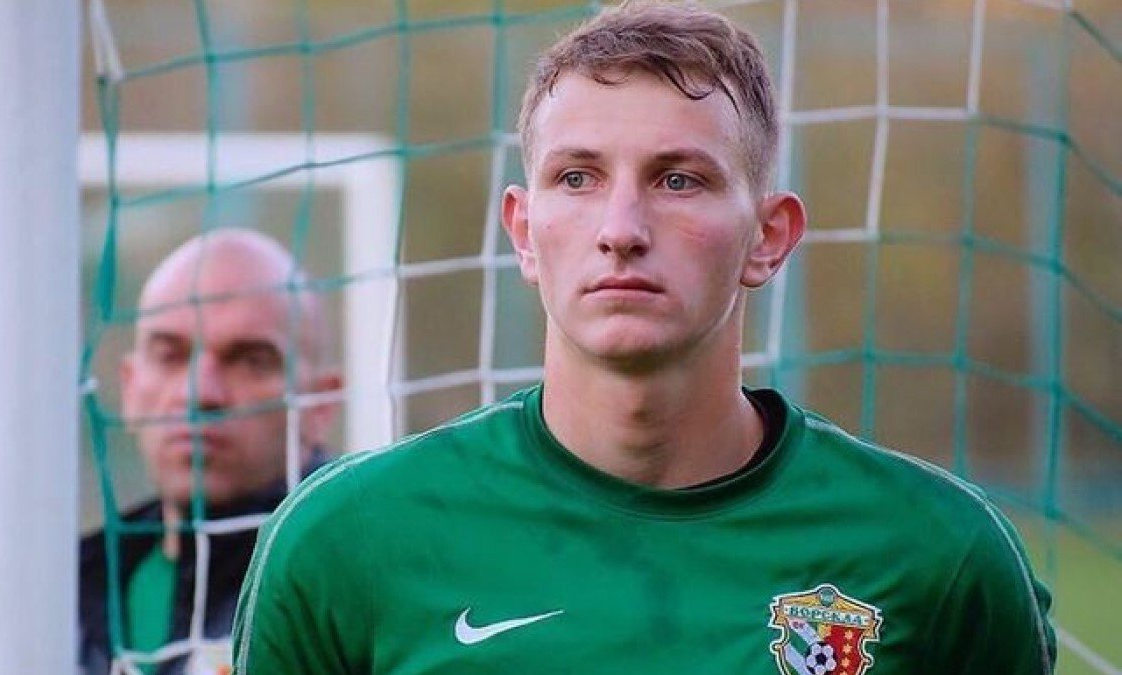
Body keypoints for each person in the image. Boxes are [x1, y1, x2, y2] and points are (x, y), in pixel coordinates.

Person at [233, 3, 1056, 674]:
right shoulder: (345, 540)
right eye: (577, 177)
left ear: (769, 236)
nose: (620, 228)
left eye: (678, 179)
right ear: (523, 231)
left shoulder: (939, 555)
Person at [79, 229, 342, 675]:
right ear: (129, 386)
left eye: (250, 360)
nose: (199, 392)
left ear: (320, 404)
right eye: (170, 355)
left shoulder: (360, 579)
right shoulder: (65, 588)